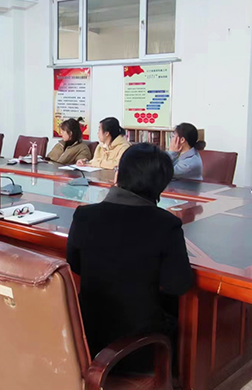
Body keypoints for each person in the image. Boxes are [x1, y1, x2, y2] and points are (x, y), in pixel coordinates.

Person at [67, 143, 193, 373]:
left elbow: (75, 264)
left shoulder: (84, 216)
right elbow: (178, 284)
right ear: (161, 186)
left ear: (119, 174)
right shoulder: (166, 225)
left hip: (87, 341)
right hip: (138, 349)